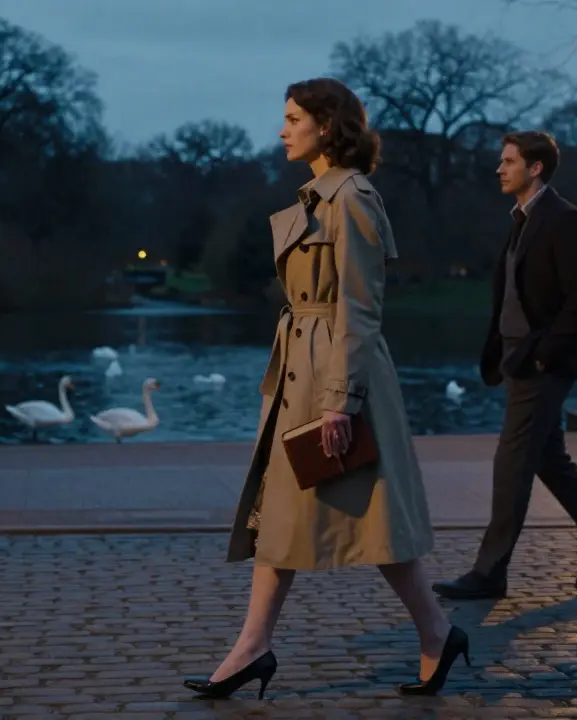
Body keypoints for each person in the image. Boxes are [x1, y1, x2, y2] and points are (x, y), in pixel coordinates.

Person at [182, 78, 469, 699]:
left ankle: (435, 634)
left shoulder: (353, 198)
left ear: (326, 125)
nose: (282, 130)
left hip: (336, 376)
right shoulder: (317, 197)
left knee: (374, 519)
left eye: (292, 119)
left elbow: (361, 308)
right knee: (283, 514)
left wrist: (342, 400)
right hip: (300, 371)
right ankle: (254, 647)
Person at [431, 131, 577, 602]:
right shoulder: (522, 219)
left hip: (541, 364)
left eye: (508, 161)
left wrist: (545, 352)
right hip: (518, 361)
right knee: (551, 461)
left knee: (511, 462)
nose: (499, 169)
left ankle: (489, 573)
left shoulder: (564, 219)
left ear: (536, 167)